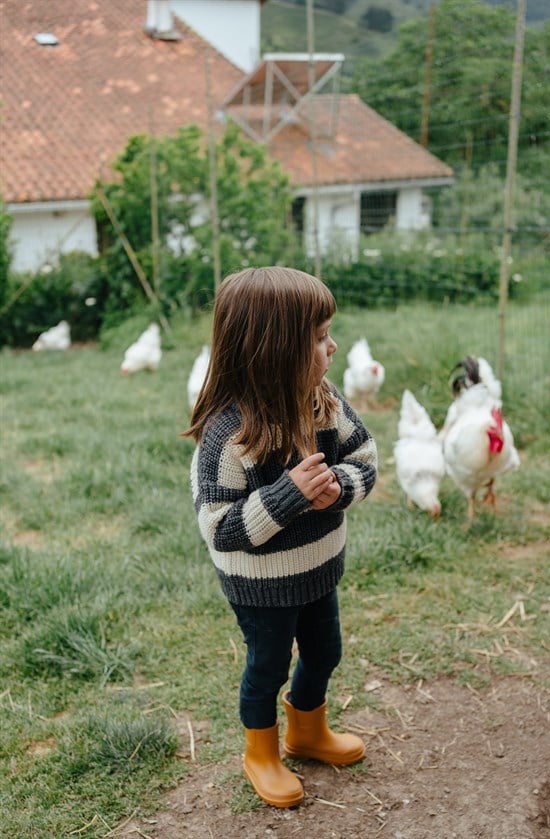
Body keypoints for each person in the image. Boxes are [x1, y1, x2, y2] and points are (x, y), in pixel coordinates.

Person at [183, 266, 378, 808]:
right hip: (260, 585)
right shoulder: (229, 435)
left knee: (325, 651)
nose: (332, 346)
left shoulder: (325, 402)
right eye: (319, 338)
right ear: (275, 349)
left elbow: (365, 458)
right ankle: (261, 753)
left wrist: (339, 485)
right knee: (266, 667)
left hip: (319, 567)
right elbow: (220, 528)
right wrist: (287, 496)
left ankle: (308, 731)